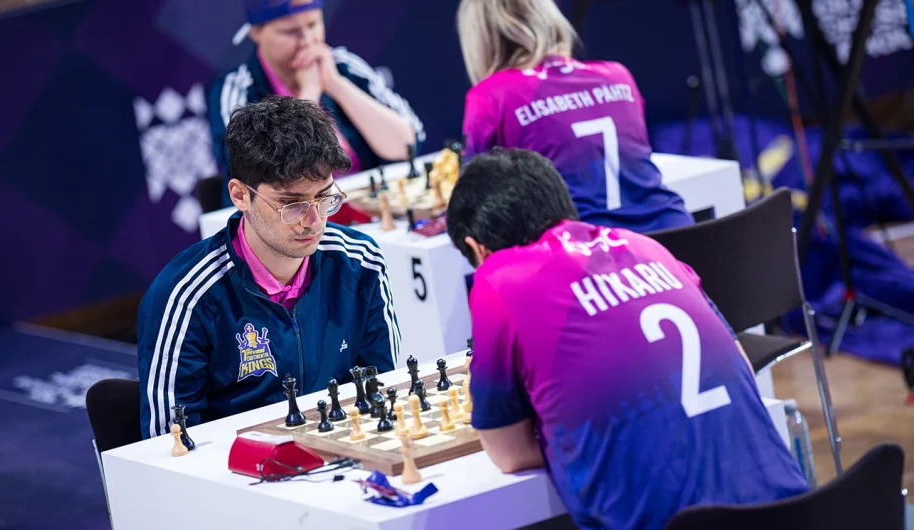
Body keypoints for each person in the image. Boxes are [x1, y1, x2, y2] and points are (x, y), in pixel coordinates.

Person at [446, 147, 809, 530]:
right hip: (797, 511)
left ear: (477, 248)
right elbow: (742, 367)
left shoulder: (499, 279)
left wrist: (576, 431)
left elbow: (508, 453)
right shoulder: (647, 247)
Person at [138, 95, 400, 440]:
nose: (314, 221)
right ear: (239, 196)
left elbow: (383, 394)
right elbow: (168, 441)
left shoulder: (360, 262)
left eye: (324, 198)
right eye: (291, 204)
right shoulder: (185, 296)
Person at [455, 0, 694, 234]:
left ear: (480, 40)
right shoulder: (617, 75)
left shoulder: (491, 96)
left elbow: (471, 201)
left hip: (586, 249)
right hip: (673, 233)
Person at [208, 0, 425, 209]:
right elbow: (261, 171)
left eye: (313, 25)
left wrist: (336, 84)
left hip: (365, 210)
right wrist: (309, 94)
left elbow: (407, 145)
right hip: (286, 219)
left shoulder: (343, 65)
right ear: (256, 32)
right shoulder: (236, 88)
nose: (308, 41)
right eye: (291, 31)